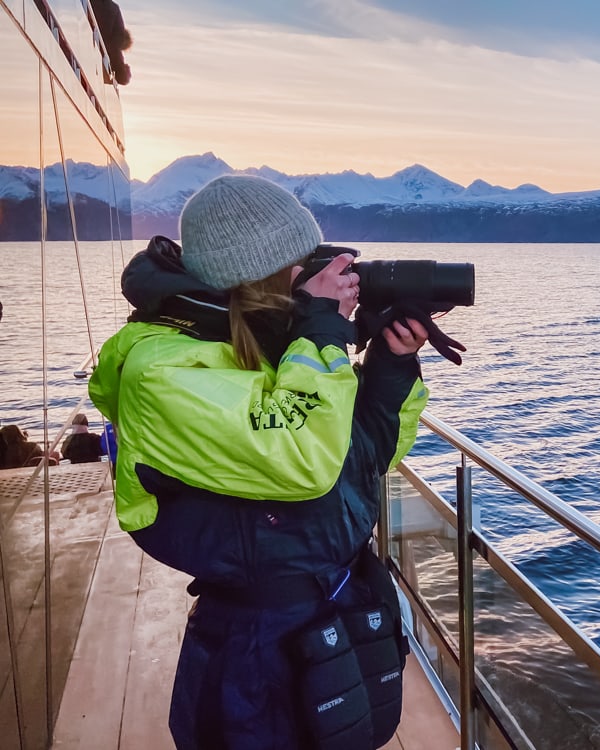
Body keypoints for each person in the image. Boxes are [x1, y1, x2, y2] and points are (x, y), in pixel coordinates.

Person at [88, 174, 429, 750]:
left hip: (337, 606)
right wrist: (324, 333)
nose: (321, 275)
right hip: (257, 641)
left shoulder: (272, 346)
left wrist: (389, 365)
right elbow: (304, 460)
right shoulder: (164, 370)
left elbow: (364, 459)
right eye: (303, 264)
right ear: (259, 273)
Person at [91, 0, 132, 85]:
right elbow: (122, 78)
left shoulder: (113, 9)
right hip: (94, 64)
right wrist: (125, 72)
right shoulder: (113, 9)